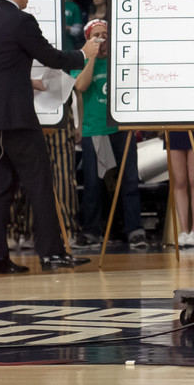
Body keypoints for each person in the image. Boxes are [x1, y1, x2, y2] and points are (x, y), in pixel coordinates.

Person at [0, 0, 98, 274]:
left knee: (0, 189)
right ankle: (51, 254)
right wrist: (84, 53)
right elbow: (51, 57)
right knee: (39, 183)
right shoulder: (21, 20)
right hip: (17, 118)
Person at [72, 19, 146, 249]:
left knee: (129, 180)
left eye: (105, 35)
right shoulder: (81, 60)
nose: (102, 40)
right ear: (88, 38)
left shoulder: (119, 63)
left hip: (120, 129)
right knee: (94, 182)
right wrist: (92, 55)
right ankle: (92, 230)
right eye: (97, 36)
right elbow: (81, 87)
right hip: (95, 130)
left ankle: (134, 230)